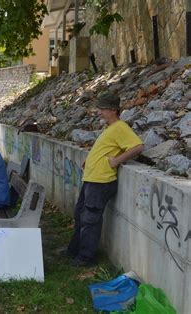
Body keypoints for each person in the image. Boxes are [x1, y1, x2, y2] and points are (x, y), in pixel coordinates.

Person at [64, 92, 144, 267]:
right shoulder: (110, 128)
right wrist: (91, 158)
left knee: (90, 220)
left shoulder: (121, 127)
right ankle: (74, 250)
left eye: (102, 109)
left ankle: (86, 258)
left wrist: (116, 161)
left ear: (113, 110)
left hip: (101, 182)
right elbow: (106, 148)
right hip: (92, 179)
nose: (99, 112)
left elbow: (138, 146)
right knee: (80, 215)